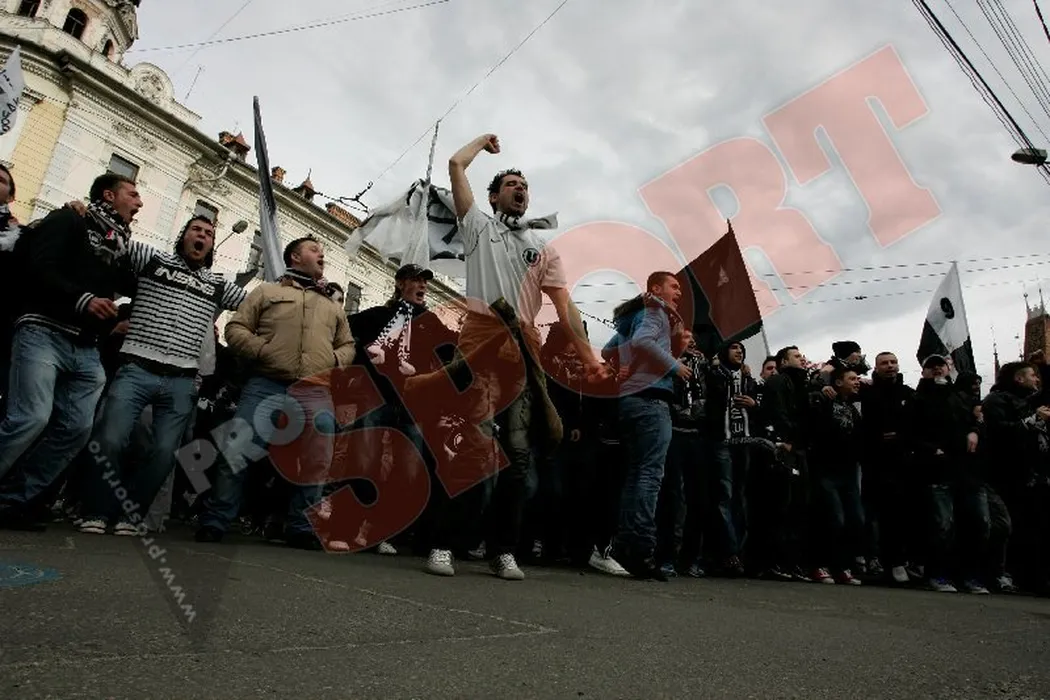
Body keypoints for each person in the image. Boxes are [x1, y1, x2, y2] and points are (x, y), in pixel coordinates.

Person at [419, 133, 608, 580]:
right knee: (472, 447)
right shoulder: (477, 226)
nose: (520, 190)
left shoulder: (543, 249)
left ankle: (504, 550)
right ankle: (444, 544)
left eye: (524, 187)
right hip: (480, 342)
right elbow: (455, 165)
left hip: (521, 352)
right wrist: (481, 143)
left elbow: (564, 306)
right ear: (493, 196)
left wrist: (589, 356)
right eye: (511, 185)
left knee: (518, 457)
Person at [76, 216, 247, 535]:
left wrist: (287, 289)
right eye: (196, 230)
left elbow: (257, 303)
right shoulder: (152, 259)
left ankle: (131, 515)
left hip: (182, 380)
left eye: (209, 234)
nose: (202, 235)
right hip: (136, 369)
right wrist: (84, 215)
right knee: (110, 438)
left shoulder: (218, 284)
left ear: (211, 245)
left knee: (165, 453)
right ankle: (96, 511)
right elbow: (115, 242)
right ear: (183, 236)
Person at [194, 236, 355, 550]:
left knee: (317, 460)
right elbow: (236, 328)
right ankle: (216, 520)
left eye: (322, 251)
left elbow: (347, 344)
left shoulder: (331, 307)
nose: (322, 255)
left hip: (315, 390)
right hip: (265, 384)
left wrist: (333, 361)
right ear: (295, 257)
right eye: (314, 249)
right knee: (237, 451)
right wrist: (262, 350)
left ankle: (301, 527)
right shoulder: (267, 292)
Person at [0, 173, 141, 530]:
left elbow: (125, 287)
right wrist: (82, 300)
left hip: (86, 347)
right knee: (30, 418)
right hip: (43, 331)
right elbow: (39, 266)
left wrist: (110, 319)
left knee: (76, 430)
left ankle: (13, 500)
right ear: (108, 196)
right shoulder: (70, 219)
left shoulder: (120, 246)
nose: (139, 203)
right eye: (132, 194)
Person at [604, 271, 692, 580]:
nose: (678, 292)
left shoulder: (634, 315)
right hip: (652, 400)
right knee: (650, 475)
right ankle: (640, 550)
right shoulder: (656, 312)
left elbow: (608, 350)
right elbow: (643, 342)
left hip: (630, 401)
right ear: (656, 288)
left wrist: (625, 364)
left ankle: (626, 546)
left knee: (637, 475)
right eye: (674, 286)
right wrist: (674, 364)